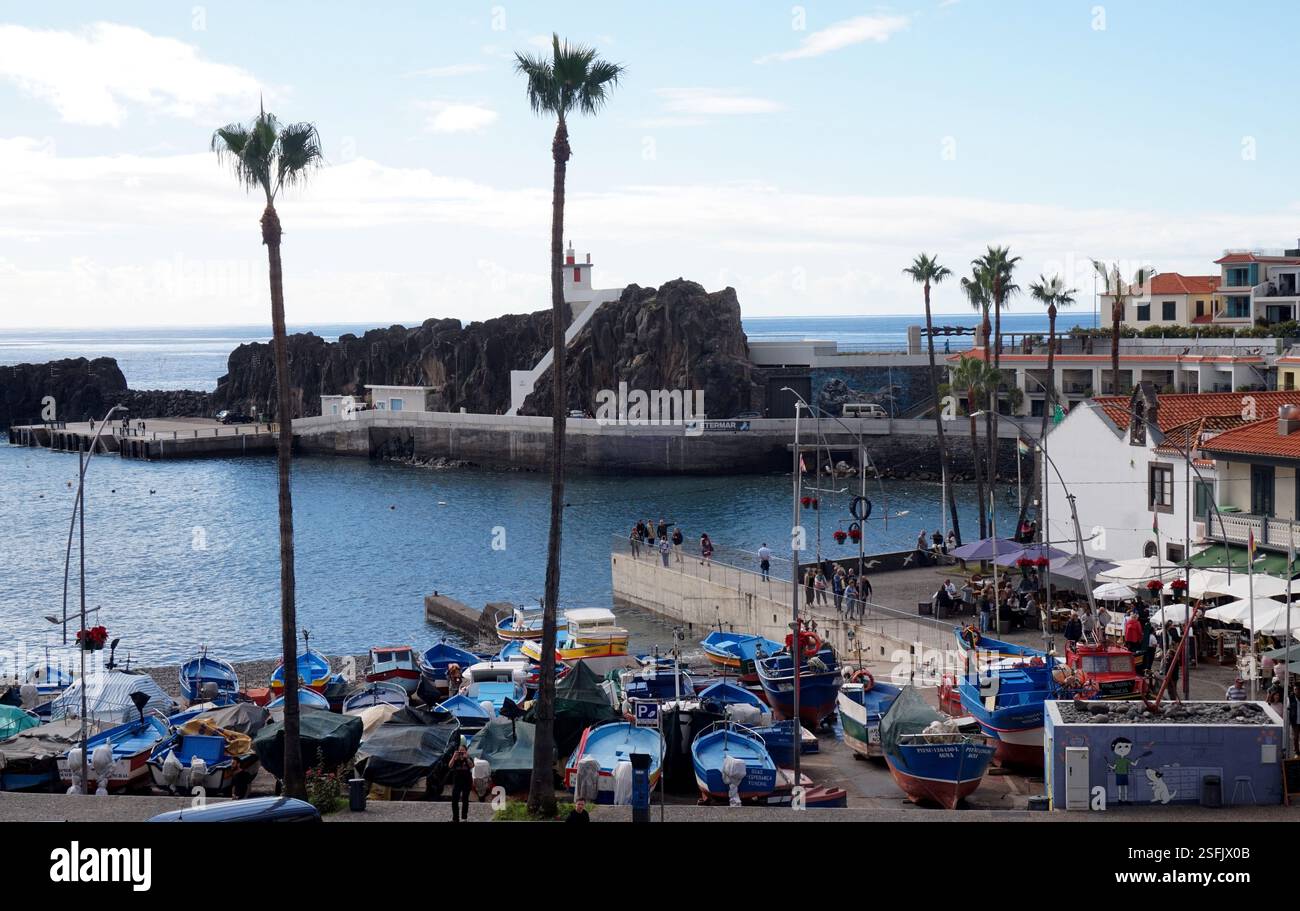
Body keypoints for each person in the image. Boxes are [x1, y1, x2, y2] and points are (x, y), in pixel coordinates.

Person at [449, 739, 473, 822]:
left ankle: (464, 818)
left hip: (466, 782)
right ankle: (455, 818)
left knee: (465, 800)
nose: (461, 752)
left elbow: (471, 766)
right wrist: (454, 757)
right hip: (457, 782)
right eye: (459, 750)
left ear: (466, 751)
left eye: (462, 750)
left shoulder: (468, 757)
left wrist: (467, 758)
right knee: (454, 800)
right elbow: (450, 765)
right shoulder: (456, 758)